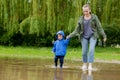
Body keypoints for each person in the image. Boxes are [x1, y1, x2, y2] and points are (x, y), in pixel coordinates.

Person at [67, 4, 107, 71]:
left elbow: (99, 27)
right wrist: (69, 36)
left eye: (87, 11)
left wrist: (104, 36)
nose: (85, 13)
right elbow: (76, 30)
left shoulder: (94, 17)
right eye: (84, 11)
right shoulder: (81, 19)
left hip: (92, 36)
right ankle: (85, 64)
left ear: (90, 10)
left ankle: (90, 65)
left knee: (91, 50)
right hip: (84, 37)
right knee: (84, 52)